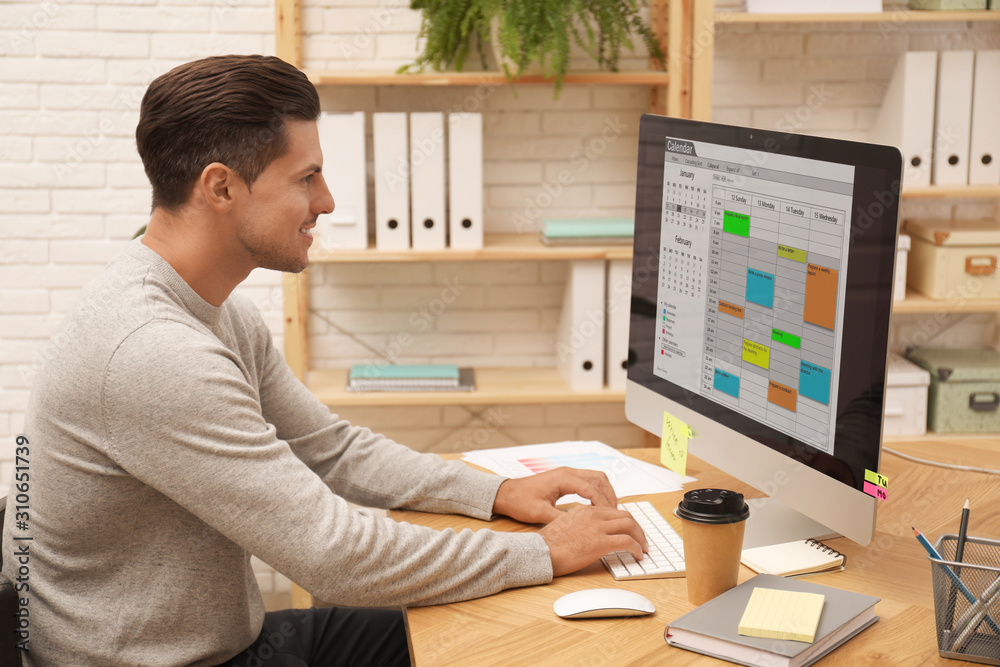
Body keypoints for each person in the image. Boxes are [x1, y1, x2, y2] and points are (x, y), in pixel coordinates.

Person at [1, 54, 647, 667]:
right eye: (306, 177)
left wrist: (498, 492)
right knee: (504, 632)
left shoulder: (217, 315)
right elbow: (332, 553)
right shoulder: (152, 353)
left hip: (227, 642)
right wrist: (540, 550)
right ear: (220, 187)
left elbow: (332, 449)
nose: (328, 201)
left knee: (508, 624)